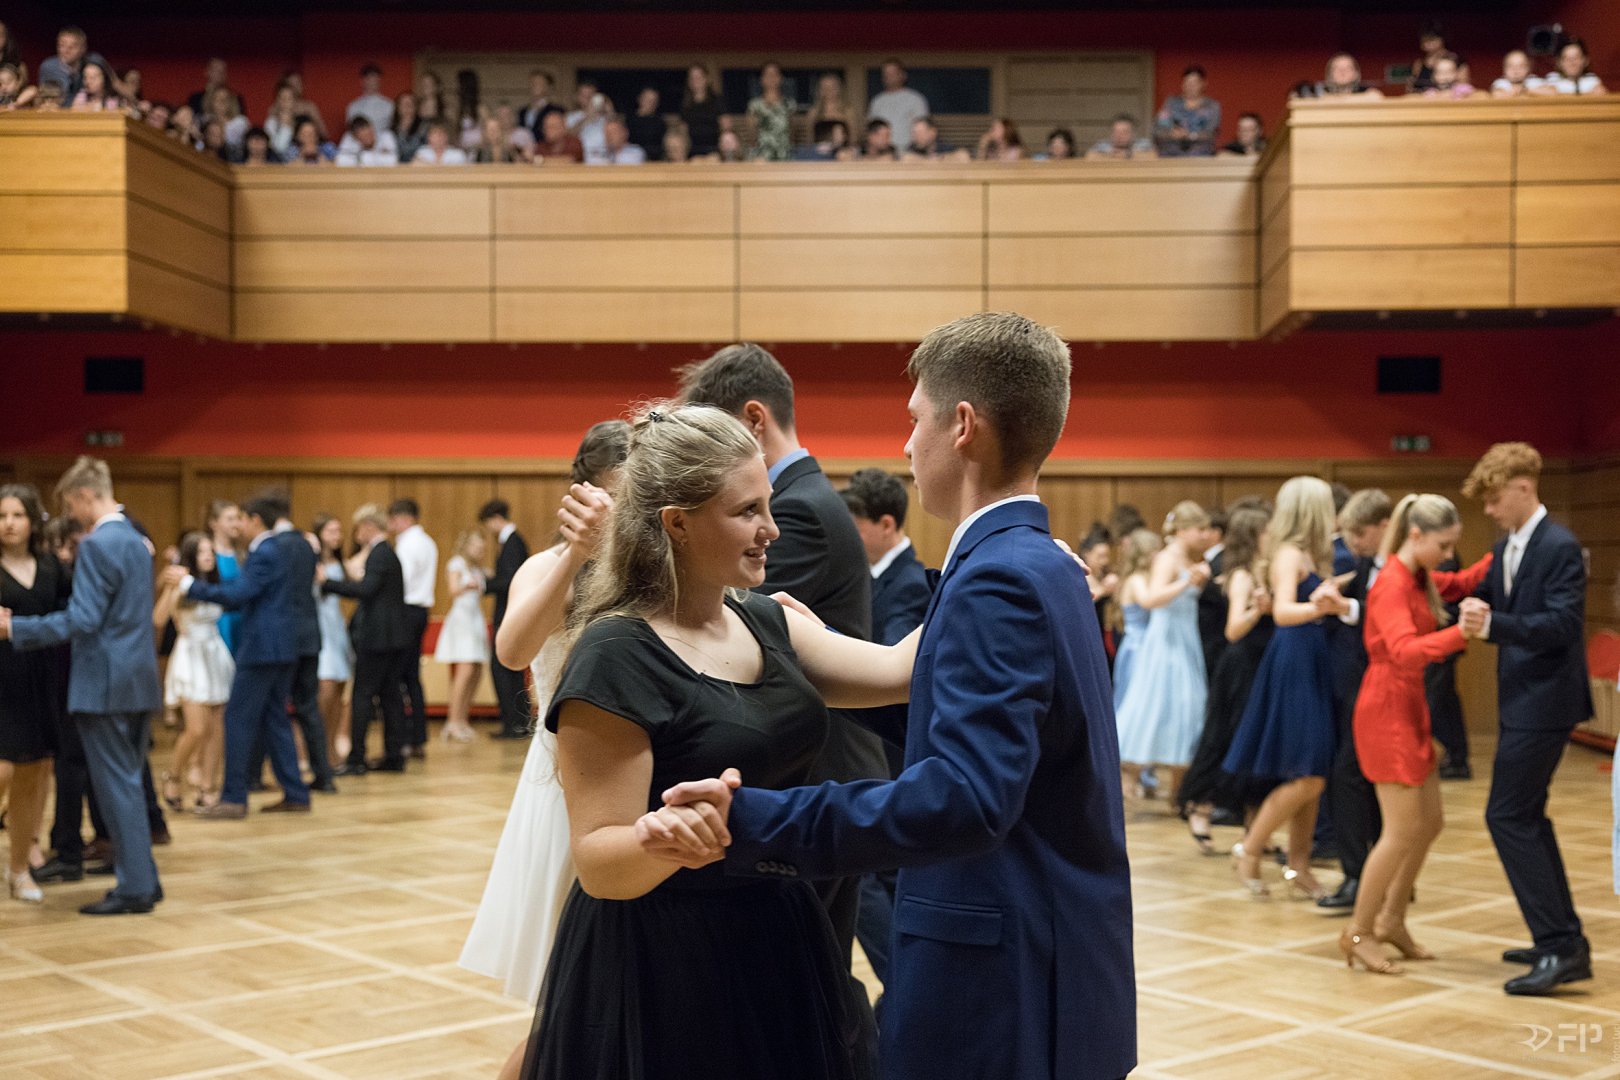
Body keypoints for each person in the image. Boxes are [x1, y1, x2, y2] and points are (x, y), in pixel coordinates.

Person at [661, 312, 1137, 1080]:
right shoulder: (1040, 562)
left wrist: (755, 818)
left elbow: (967, 798)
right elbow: (987, 726)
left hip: (1004, 987)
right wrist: (815, 664)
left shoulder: (999, 579)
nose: (906, 446)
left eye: (914, 420)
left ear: (963, 426)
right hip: (1047, 963)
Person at [676, 344, 888, 987]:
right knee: (813, 978)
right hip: (818, 771)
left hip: (815, 772)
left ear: (753, 419)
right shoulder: (805, 497)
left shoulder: (798, 509)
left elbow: (726, 627)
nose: (761, 527)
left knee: (806, 983)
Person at [462, 421, 627, 1080]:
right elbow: (512, 652)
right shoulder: (546, 567)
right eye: (618, 495)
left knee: (610, 997)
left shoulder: (651, 568)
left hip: (633, 782)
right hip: (566, 784)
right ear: (584, 493)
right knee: (570, 1001)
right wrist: (576, 556)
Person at [1458, 442, 1593, 995]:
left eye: (1494, 499)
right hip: (1522, 699)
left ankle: (1563, 945)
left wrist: (1493, 625)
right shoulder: (1506, 545)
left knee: (1508, 816)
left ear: (1523, 487)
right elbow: (1487, 597)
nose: (1489, 509)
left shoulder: (1559, 545)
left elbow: (1562, 625)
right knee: (1524, 816)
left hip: (1547, 702)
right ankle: (1558, 939)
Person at [0, 457, 163, 915]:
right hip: (138, 679)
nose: (72, 516)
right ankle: (145, 880)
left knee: (115, 790)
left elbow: (84, 619)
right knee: (128, 785)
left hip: (105, 684)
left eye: (72, 505)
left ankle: (134, 888)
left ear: (86, 495)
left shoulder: (97, 545)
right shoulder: (136, 540)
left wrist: (15, 629)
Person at [1340, 495, 1491, 975]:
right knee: (1401, 830)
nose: (1448, 555)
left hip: (1408, 704)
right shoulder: (1391, 583)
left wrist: (1507, 548)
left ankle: (1392, 920)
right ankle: (1358, 932)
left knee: (1429, 823)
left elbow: (1460, 582)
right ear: (1416, 535)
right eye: (1443, 545)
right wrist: (1461, 634)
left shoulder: (1419, 575)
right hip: (1387, 709)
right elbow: (1404, 652)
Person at [1222, 477, 1343, 900]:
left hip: (1310, 656)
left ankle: (1299, 866)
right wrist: (1320, 606)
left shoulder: (1307, 553)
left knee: (1313, 772)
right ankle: (1251, 850)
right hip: (1295, 658)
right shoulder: (1289, 553)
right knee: (1307, 776)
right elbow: (1284, 612)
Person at [839, 466, 930, 1002]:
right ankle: (913, 986)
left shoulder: (909, 583)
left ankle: (908, 984)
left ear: (887, 524)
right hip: (876, 749)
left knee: (871, 875)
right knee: (887, 876)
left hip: (888, 750)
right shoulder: (876, 577)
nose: (850, 538)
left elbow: (891, 666)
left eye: (857, 528)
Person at [170, 490, 316, 818]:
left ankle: (234, 797)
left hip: (262, 648)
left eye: (243, 519)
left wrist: (190, 586)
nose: (239, 526)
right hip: (283, 646)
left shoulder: (264, 551)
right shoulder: (281, 548)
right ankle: (295, 792)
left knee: (236, 717)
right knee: (275, 718)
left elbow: (240, 594)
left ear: (255, 520)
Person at [1177, 505, 1274, 850]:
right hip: (1241, 668)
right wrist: (1257, 611)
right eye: (1267, 531)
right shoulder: (1242, 575)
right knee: (1226, 738)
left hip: (1258, 664)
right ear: (1254, 535)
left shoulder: (1261, 571)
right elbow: (1233, 630)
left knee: (1252, 745)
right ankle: (1199, 808)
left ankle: (1254, 830)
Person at [1317, 488, 1392, 913]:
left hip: (1386, 686)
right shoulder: (1365, 563)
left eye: (1360, 534)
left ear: (1384, 525)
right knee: (1355, 778)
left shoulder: (1403, 564)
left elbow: (1383, 617)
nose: (1354, 544)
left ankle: (1368, 877)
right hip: (1361, 684)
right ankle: (1367, 877)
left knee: (1355, 778)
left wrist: (1345, 606)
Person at [1115, 502, 1211, 820]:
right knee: (1158, 706)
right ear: (1182, 530)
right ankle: (1129, 780)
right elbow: (1154, 599)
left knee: (1187, 710)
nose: (1204, 535)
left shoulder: (1189, 559)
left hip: (1186, 639)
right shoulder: (1167, 559)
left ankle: (1177, 793)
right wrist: (1186, 582)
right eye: (1199, 529)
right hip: (1166, 641)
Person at [0, 485, 68, 903]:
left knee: (33, 776)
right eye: (2, 515)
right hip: (1, 680)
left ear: (32, 520)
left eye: (17, 515)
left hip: (42, 681)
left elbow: (73, 614)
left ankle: (19, 869)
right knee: (4, 771)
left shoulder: (51, 566)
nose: (8, 523)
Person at [324, 504, 411, 773]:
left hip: (377, 638)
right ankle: (394, 755)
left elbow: (366, 589)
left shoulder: (379, 554)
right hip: (393, 637)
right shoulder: (388, 553)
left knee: (362, 695)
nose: (357, 533)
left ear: (369, 527)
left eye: (359, 528)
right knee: (390, 696)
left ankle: (357, 758)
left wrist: (328, 584)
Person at [152, 532, 232, 810]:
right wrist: (173, 588)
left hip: (215, 653)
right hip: (190, 656)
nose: (208, 556)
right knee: (197, 729)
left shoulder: (215, 584)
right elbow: (158, 618)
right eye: (201, 552)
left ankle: (207, 787)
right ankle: (173, 776)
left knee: (217, 729)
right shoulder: (181, 583)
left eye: (210, 551)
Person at [389, 498, 437, 758]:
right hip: (420, 612)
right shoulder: (427, 541)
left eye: (393, 519)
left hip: (406, 611)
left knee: (398, 676)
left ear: (404, 518)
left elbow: (401, 581)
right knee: (412, 677)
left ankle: (403, 738)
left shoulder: (407, 544)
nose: (391, 525)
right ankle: (417, 736)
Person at [480, 499, 530, 739]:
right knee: (509, 670)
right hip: (511, 612)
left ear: (496, 519)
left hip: (508, 612)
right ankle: (516, 722)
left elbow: (511, 580)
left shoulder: (512, 542)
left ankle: (514, 723)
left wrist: (485, 583)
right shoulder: (512, 541)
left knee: (503, 669)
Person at [433, 530, 489, 743]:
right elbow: (453, 590)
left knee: (476, 671)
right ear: (466, 545)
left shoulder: (477, 568)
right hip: (462, 620)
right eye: (476, 546)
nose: (479, 551)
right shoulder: (457, 564)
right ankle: (452, 721)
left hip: (475, 619)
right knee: (464, 671)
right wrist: (467, 585)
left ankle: (463, 718)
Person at [312, 514, 352, 764]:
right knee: (324, 692)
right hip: (319, 628)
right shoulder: (312, 564)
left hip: (337, 628)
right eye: (331, 531)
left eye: (339, 531)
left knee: (339, 692)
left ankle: (331, 748)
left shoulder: (340, 563)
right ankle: (314, 750)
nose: (336, 536)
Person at [1111, 527, 1162, 712]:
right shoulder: (1136, 580)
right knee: (1134, 701)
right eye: (1156, 551)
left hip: (1146, 644)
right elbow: (1148, 601)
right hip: (1137, 646)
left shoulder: (1147, 577)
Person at [1154, 65, 1220, 156]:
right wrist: (1172, 133)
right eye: (1187, 83)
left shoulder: (1212, 106)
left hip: (1201, 156)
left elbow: (1212, 133)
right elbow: (1158, 129)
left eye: (1194, 83)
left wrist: (1190, 135)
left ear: (1203, 84)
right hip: (1170, 154)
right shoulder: (1171, 103)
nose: (1190, 87)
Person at [867, 57, 929, 152]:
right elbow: (872, 130)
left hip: (910, 151)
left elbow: (923, 130)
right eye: (886, 74)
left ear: (903, 75)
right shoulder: (877, 101)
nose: (889, 77)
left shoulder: (915, 99)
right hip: (883, 152)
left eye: (892, 73)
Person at [746, 62, 794, 162]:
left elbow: (791, 134)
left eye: (775, 75)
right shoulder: (754, 105)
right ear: (762, 79)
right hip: (761, 154)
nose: (771, 79)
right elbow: (751, 136)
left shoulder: (789, 104)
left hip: (784, 153)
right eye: (768, 75)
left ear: (780, 78)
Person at [680, 64, 726, 158]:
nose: (695, 81)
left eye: (698, 77)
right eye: (692, 78)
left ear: (706, 79)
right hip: (693, 149)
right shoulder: (686, 104)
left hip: (714, 148)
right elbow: (683, 130)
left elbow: (725, 125)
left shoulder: (717, 101)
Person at [1543, 38, 1608, 95]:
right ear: (1559, 63)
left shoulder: (1592, 80)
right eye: (1567, 59)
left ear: (1585, 61)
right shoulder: (1552, 80)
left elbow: (1601, 93)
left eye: (1576, 58)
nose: (1572, 63)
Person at [346, 62, 394, 132]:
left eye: (374, 78)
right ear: (362, 81)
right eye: (368, 78)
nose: (371, 82)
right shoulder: (353, 106)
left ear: (379, 80)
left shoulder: (389, 105)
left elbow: (393, 130)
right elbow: (351, 131)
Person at [1086, 114, 1156, 160]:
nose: (1119, 136)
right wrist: (1112, 155)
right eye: (1115, 132)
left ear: (1133, 134)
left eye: (1124, 132)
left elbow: (1153, 157)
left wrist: (1128, 154)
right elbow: (1089, 157)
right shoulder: (1103, 145)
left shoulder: (1142, 144)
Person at [626, 87, 666, 161]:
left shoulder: (660, 123)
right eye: (647, 100)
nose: (651, 103)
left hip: (653, 159)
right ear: (639, 99)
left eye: (654, 101)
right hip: (631, 157)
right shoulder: (629, 121)